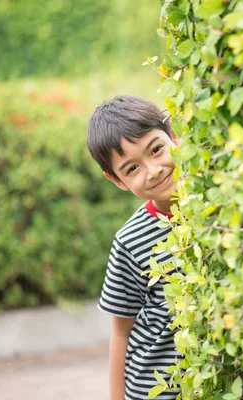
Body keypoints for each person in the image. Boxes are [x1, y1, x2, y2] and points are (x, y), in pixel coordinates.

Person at [87, 95, 181, 400]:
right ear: (116, 181)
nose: (153, 170)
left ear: (173, 136)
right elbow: (120, 332)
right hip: (153, 392)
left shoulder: (220, 209)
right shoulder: (130, 241)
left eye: (156, 150)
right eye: (132, 169)